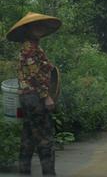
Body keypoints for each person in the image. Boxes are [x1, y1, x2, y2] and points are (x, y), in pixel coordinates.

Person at [6, 12, 62, 175]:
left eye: (40, 25)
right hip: (34, 97)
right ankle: (49, 174)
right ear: (28, 29)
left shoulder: (34, 46)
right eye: (35, 26)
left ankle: (24, 172)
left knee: (29, 138)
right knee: (45, 139)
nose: (39, 28)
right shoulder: (29, 47)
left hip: (29, 97)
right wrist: (46, 96)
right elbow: (34, 75)